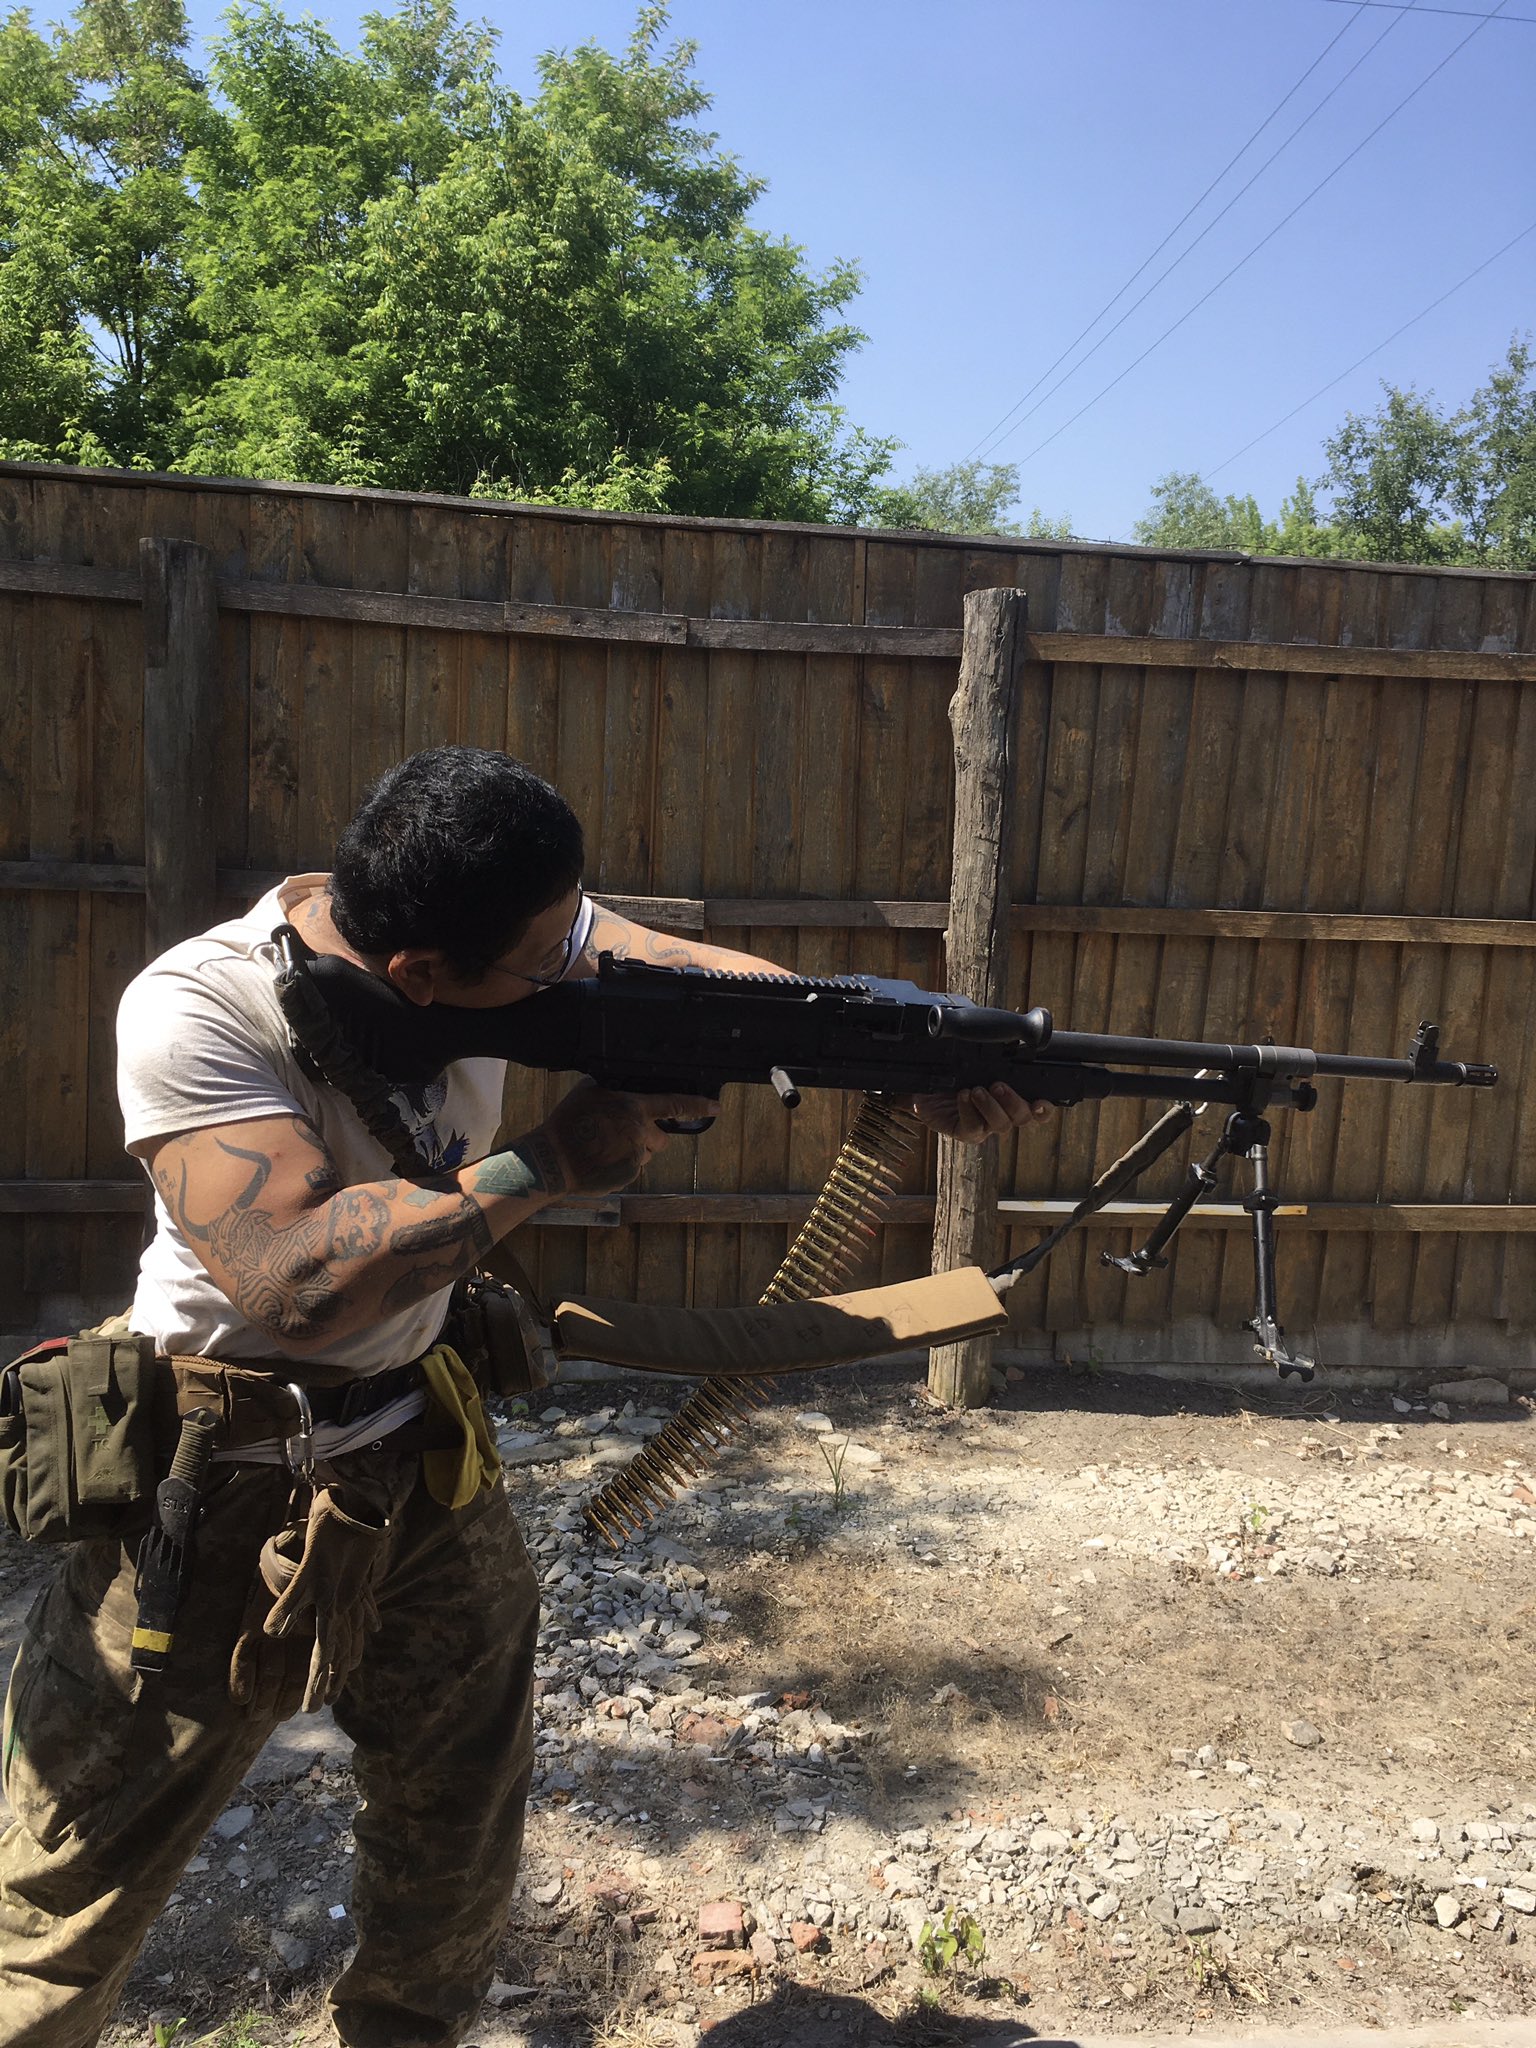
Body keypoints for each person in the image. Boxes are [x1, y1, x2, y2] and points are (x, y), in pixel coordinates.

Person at [0, 746, 1042, 2048]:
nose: (579, 966)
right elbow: (296, 1283)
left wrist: (896, 1041)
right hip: (212, 1489)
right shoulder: (198, 1008)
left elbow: (693, 975)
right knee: (69, 1886)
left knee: (454, 1827)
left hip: (420, 1455)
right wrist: (551, 1160)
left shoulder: (499, 920)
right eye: (547, 963)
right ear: (422, 975)